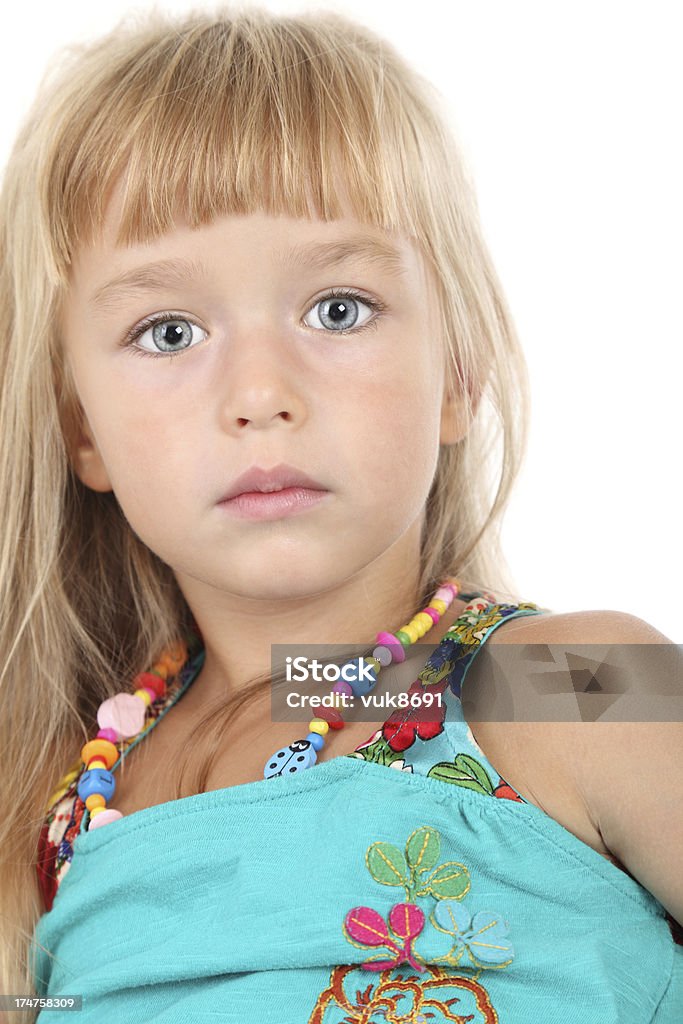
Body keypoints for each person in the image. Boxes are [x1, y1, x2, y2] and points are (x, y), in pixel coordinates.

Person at [0, 6, 679, 1021]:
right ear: (81, 430)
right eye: (169, 329)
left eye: (337, 308)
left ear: (456, 373)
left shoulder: (575, 684)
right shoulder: (58, 812)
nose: (259, 390)